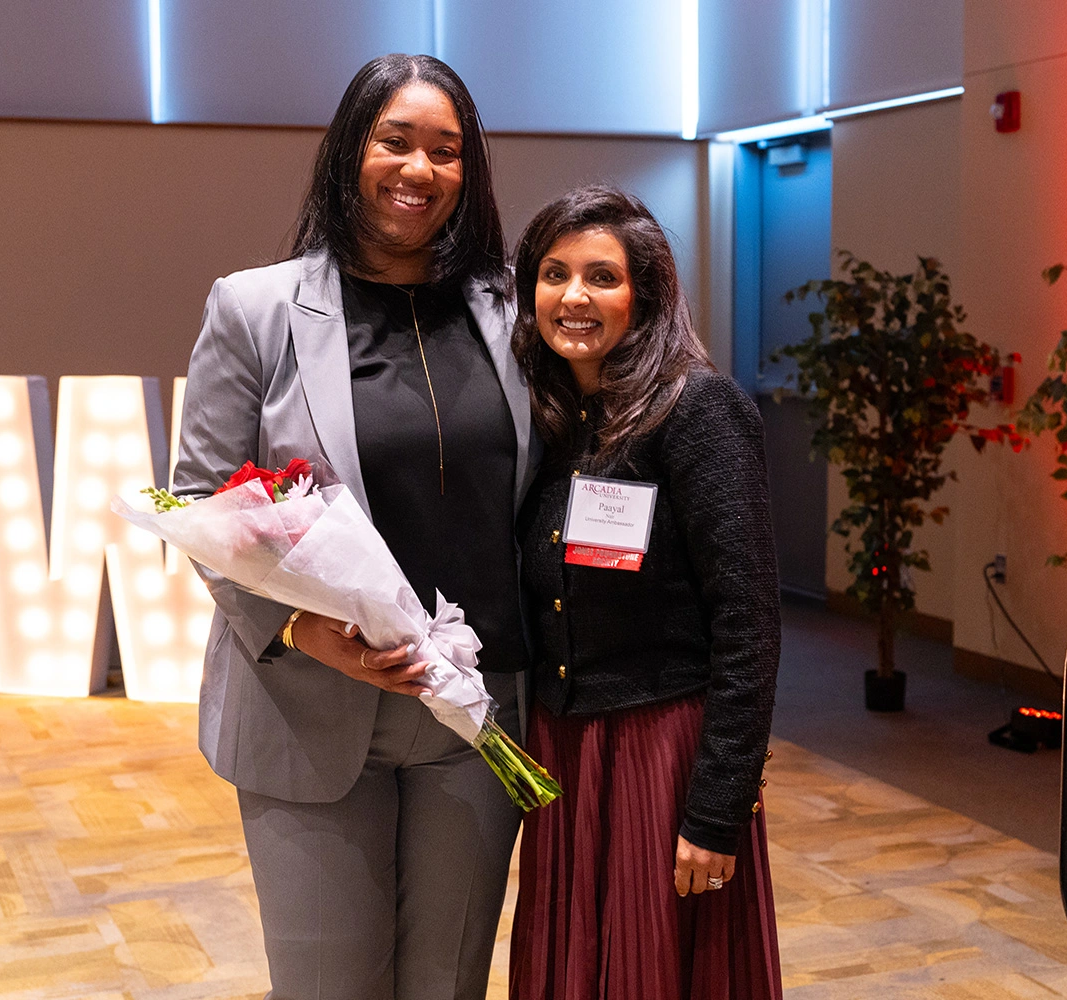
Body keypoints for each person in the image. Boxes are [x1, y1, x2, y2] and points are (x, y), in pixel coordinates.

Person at [173, 54, 534, 1000]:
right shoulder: (255, 307)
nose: (420, 169)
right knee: (330, 984)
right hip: (308, 709)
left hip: (474, 712)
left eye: (447, 151)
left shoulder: (510, 313)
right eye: (396, 141)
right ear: (350, 152)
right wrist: (298, 630)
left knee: (449, 982)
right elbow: (199, 503)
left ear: (471, 171)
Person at [507, 186, 784, 999]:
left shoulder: (699, 410)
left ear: (648, 294)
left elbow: (750, 621)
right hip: (565, 751)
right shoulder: (556, 419)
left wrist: (717, 808)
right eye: (554, 274)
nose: (574, 297)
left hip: (662, 753)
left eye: (602, 276)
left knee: (654, 968)